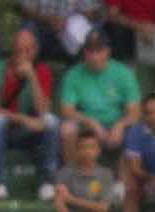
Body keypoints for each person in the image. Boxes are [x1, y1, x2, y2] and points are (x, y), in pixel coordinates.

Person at [0, 21, 59, 201]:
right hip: (2, 132)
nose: (21, 54)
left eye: (27, 50)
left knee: (52, 121)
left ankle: (47, 182)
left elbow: (43, 111)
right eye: (17, 49)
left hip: (29, 134)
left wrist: (32, 77)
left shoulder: (42, 70)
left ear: (35, 51)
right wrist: (23, 119)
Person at [56, 26, 137, 162]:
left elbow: (134, 112)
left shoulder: (124, 73)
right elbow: (66, 110)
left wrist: (120, 125)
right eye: (90, 51)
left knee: (137, 132)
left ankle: (125, 181)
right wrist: (90, 122)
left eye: (99, 51)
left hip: (115, 125)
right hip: (86, 126)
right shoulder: (73, 75)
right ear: (84, 52)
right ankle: (72, 176)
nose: (94, 57)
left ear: (108, 51)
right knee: (67, 129)